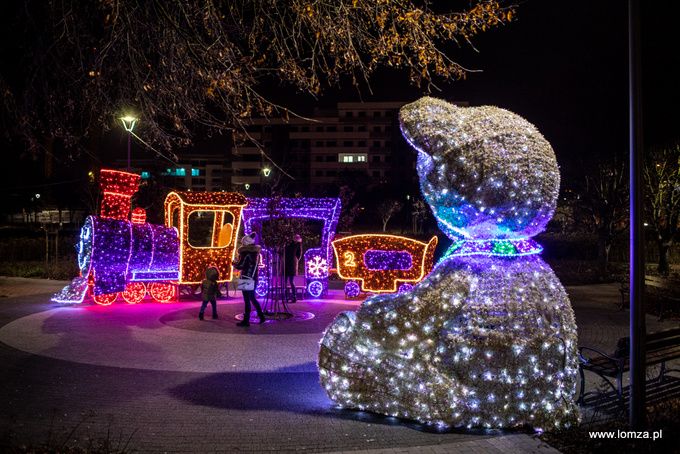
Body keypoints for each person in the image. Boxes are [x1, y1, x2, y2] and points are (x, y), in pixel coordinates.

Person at [233, 234, 266, 326]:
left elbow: (241, 266)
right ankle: (261, 316)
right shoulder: (256, 253)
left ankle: (246, 320)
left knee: (247, 300)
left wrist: (234, 263)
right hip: (254, 277)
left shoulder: (245, 253)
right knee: (252, 298)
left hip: (246, 278)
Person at [282, 234, 302, 302]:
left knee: (284, 281)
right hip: (292, 263)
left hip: (285, 262)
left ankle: (286, 297)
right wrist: (296, 259)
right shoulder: (298, 245)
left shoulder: (286, 244)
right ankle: (294, 296)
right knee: (291, 280)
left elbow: (282, 253)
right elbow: (299, 255)